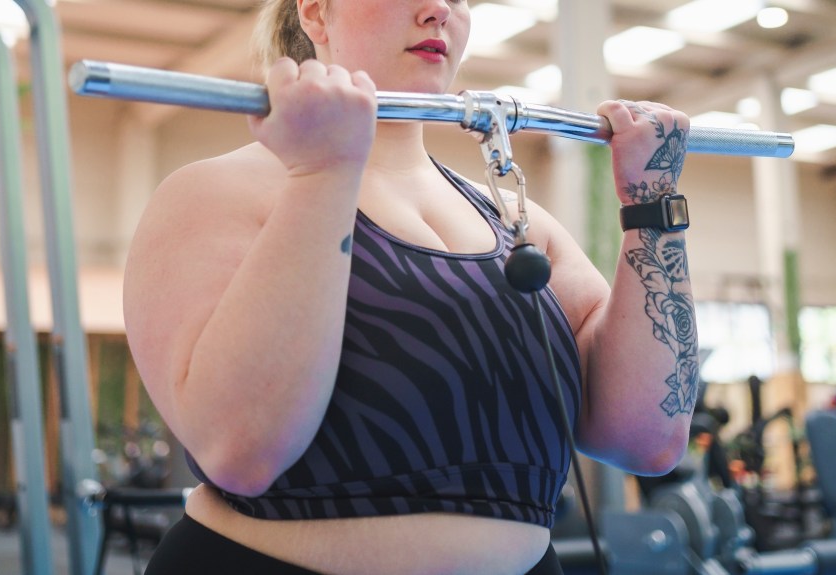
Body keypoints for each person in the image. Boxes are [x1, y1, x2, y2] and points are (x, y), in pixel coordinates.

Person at [125, 1, 699, 573]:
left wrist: (652, 208)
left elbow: (646, 439)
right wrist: (324, 173)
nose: (438, 10)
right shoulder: (215, 192)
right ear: (317, 14)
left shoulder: (520, 222)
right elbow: (240, 450)